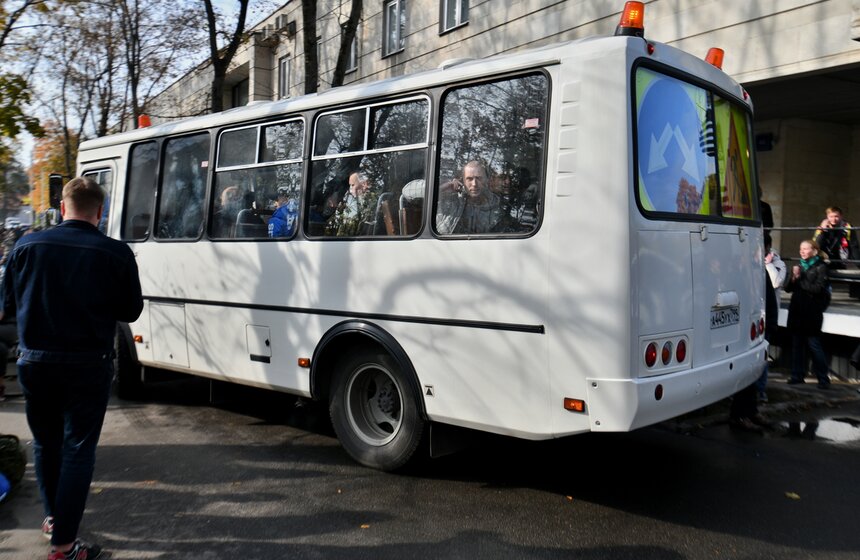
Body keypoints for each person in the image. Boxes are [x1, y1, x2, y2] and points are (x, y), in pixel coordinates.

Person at [0, 177, 143, 559]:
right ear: (100, 211)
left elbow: (7, 306)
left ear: (62, 208)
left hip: (34, 361)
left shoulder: (25, 245)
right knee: (78, 449)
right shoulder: (116, 253)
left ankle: (54, 520)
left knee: (45, 444)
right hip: (88, 364)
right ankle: (65, 546)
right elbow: (131, 311)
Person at [783, 240, 830, 389]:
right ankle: (797, 375)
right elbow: (787, 288)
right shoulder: (799, 266)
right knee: (797, 345)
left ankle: (823, 377)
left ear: (814, 251)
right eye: (800, 249)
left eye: (805, 249)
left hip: (811, 312)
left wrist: (800, 278)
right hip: (797, 311)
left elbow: (817, 289)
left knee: (814, 345)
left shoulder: (821, 267)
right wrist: (793, 277)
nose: (802, 251)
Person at [756, 233, 786, 403]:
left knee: (763, 356)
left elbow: (776, 282)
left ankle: (761, 390)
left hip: (768, 316)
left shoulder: (778, 264)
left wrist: (767, 264)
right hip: (754, 315)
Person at [436, 160, 502, 234]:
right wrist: (441, 190)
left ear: (487, 180)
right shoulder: (451, 203)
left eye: (479, 178)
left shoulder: (499, 206)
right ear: (463, 181)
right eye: (469, 179)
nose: (474, 184)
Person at [813, 206, 858, 270]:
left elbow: (854, 246)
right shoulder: (821, 228)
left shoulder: (847, 227)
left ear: (841, 216)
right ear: (827, 217)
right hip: (825, 259)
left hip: (841, 259)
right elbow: (816, 245)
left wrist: (858, 263)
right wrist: (823, 230)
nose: (834, 219)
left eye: (836, 216)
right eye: (831, 217)